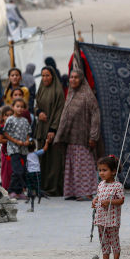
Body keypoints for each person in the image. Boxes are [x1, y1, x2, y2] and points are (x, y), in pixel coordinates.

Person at [54, 69, 100, 200]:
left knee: (84, 165)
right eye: (71, 77)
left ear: (81, 79)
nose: (73, 80)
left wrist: (93, 136)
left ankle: (87, 192)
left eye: (76, 77)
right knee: (72, 166)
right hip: (71, 137)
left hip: (83, 137)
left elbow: (95, 116)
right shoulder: (71, 93)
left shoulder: (87, 95)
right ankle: (73, 191)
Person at [34, 66, 66, 196]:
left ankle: (54, 188)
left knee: (54, 160)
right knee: (43, 160)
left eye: (47, 75)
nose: (45, 78)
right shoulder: (41, 88)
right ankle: (43, 187)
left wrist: (53, 129)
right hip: (41, 129)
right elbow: (36, 104)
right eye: (43, 75)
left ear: (52, 76)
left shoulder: (58, 92)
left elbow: (60, 111)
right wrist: (38, 112)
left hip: (53, 130)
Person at [92, 156, 124, 259]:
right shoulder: (101, 184)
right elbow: (98, 196)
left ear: (113, 171)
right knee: (104, 241)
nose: (101, 173)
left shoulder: (117, 186)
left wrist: (110, 202)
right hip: (101, 218)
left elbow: (121, 200)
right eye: (100, 170)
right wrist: (95, 201)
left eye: (104, 170)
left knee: (114, 240)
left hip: (112, 219)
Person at [3, 98, 33, 200]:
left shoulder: (25, 120)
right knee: (17, 171)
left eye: (22, 107)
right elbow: (5, 133)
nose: (20, 109)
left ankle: (19, 191)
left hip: (23, 149)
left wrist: (28, 141)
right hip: (13, 148)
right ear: (13, 107)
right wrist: (16, 142)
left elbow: (29, 132)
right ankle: (11, 190)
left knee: (23, 170)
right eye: (17, 106)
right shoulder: (10, 119)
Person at [25, 137, 51, 209]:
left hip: (29, 172)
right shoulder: (36, 153)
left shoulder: (26, 155)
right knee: (38, 184)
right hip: (36, 172)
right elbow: (44, 149)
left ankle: (29, 196)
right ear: (35, 147)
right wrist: (47, 142)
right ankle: (39, 194)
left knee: (29, 185)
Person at [0, 105, 14, 190]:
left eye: (10, 115)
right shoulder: (3, 127)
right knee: (6, 170)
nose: (8, 117)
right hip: (5, 152)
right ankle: (5, 188)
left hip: (13, 151)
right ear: (2, 116)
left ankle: (12, 188)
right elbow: (0, 140)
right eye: (6, 115)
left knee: (12, 170)